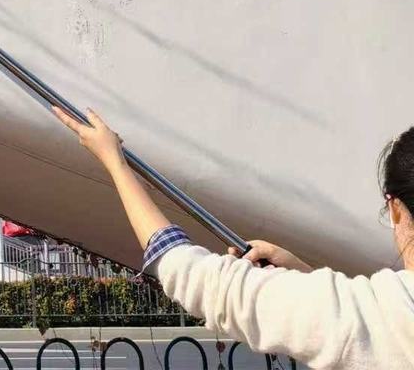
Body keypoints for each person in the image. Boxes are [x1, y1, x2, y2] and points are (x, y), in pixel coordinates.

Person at [53, 106, 414, 369]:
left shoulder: (380, 315)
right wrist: (304, 276)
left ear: (395, 209)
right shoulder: (375, 312)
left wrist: (114, 162)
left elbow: (182, 267)